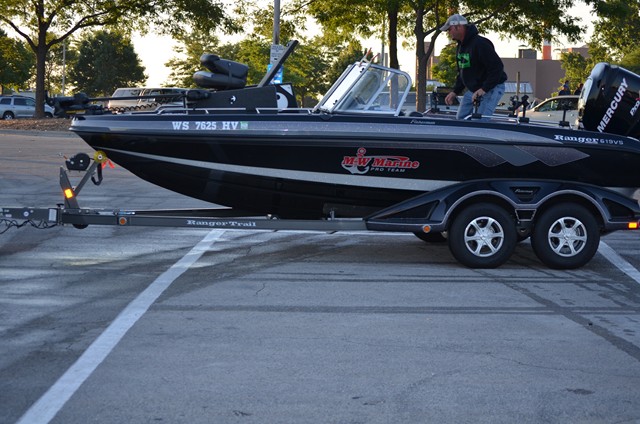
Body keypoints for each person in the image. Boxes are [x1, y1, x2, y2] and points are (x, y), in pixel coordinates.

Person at [441, 14, 507, 119]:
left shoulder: (480, 44)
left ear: (459, 27)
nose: (448, 33)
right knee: (461, 118)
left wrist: (484, 89)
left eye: (449, 29)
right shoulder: (461, 47)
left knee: (480, 119)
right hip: (475, 89)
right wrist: (455, 92)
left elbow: (497, 68)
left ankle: (482, 128)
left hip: (491, 87)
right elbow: (462, 72)